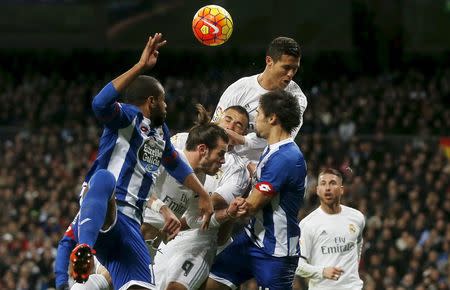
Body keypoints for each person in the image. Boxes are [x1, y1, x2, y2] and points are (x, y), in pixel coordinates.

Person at [68, 33, 213, 290]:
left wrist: (202, 194)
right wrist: (139, 67)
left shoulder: (161, 133)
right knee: (102, 179)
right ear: (152, 101)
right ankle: (84, 250)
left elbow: (176, 164)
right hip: (107, 209)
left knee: (142, 287)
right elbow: (100, 104)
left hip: (132, 225)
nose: (167, 106)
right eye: (164, 100)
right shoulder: (126, 117)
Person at [205, 90, 307, 290]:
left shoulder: (286, 158)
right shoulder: (273, 149)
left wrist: (233, 199)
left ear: (272, 118)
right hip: (252, 238)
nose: (255, 121)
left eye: (259, 114)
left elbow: (251, 206)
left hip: (276, 253)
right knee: (211, 283)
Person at [144, 105, 251, 290]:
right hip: (155, 232)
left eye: (239, 125)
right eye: (228, 119)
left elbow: (204, 210)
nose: (232, 126)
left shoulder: (236, 169)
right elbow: (139, 187)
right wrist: (164, 210)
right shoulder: (179, 144)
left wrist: (228, 213)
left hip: (196, 239)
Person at [212, 36, 307, 164]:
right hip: (228, 165)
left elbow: (283, 138)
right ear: (269, 61)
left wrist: (242, 139)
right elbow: (215, 126)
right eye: (286, 67)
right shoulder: (239, 88)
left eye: (294, 69)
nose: (290, 74)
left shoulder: (296, 98)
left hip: (267, 170)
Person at [295, 168, 365, 290]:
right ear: (317, 190)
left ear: (342, 190)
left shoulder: (357, 217)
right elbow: (297, 266)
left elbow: (358, 244)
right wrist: (322, 272)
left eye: (333, 183)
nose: (327, 188)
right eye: (323, 184)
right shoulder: (307, 224)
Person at [54, 217, 112, 290]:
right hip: (94, 252)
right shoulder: (84, 214)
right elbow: (66, 243)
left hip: (106, 253)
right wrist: (61, 283)